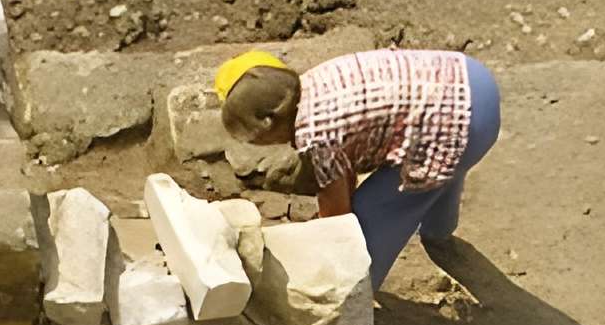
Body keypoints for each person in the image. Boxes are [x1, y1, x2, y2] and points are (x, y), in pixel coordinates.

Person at [213, 45, 501, 286]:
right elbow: (345, 167)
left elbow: (338, 217)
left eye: (257, 139)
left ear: (269, 123)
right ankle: (438, 232)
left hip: (459, 124)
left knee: (371, 216)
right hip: (467, 80)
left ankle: (354, 292)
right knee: (441, 174)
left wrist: (323, 241)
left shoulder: (316, 136)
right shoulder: (314, 83)